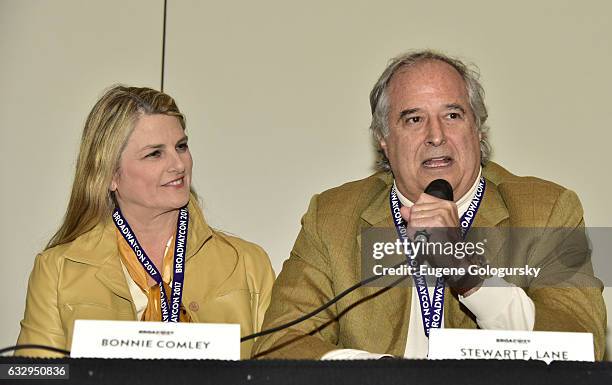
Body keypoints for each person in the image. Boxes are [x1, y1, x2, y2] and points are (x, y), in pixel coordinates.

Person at [252, 50, 606, 360]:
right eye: (414, 119)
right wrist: (382, 375)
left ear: (478, 129)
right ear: (384, 140)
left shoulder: (546, 210)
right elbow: (278, 343)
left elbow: (581, 345)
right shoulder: (331, 217)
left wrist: (473, 277)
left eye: (452, 115)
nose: (436, 136)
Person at [16, 85, 275, 359]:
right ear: (111, 175)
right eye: (155, 153)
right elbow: (35, 374)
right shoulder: (57, 271)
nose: (178, 164)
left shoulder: (247, 264)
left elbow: (280, 373)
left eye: (181, 147)